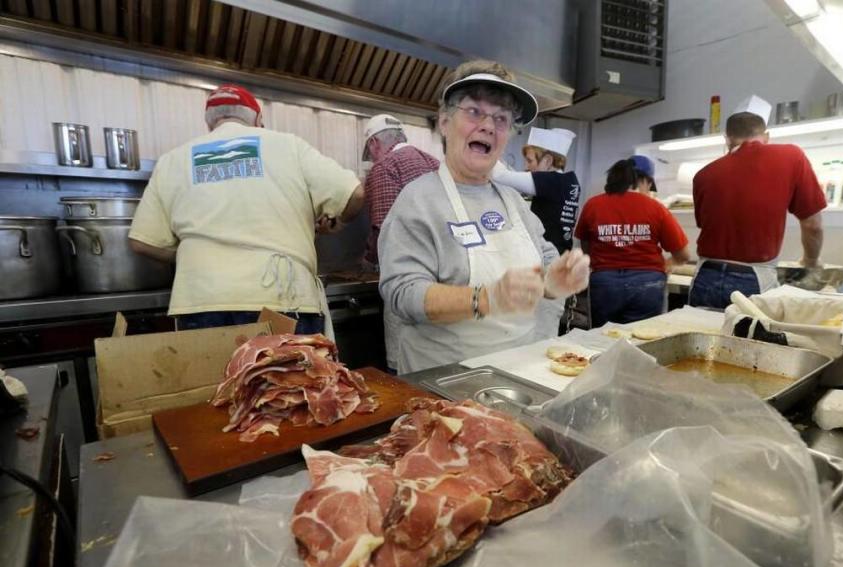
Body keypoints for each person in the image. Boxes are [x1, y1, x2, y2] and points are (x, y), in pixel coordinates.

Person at [378, 60, 590, 374]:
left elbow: (544, 261)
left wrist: (555, 280)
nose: (489, 125)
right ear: (445, 122)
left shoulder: (513, 201)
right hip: (444, 382)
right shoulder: (418, 200)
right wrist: (485, 298)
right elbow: (402, 294)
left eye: (502, 118)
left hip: (518, 376)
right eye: (474, 111)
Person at [128, 83, 364, 337]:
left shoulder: (172, 160)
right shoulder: (288, 145)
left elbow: (142, 242)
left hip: (201, 300)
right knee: (290, 377)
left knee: (215, 378)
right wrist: (339, 223)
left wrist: (195, 253)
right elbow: (355, 193)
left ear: (210, 124)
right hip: (281, 297)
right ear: (258, 120)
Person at [689, 94, 826, 309]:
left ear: (726, 139)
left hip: (705, 277)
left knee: (701, 339)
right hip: (753, 278)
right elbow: (813, 225)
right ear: (767, 136)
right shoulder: (791, 156)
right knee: (748, 342)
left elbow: (710, 225)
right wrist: (811, 261)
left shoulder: (703, 175)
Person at [360, 113, 440, 372]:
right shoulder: (435, 164)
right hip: (447, 284)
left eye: (370, 152)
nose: (372, 158)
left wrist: (367, 260)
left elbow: (383, 228)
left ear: (374, 144)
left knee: (403, 365)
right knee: (437, 364)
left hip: (409, 281)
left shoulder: (384, 167)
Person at [575, 157, 690, 326]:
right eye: (650, 185)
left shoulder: (593, 205)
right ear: (643, 181)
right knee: (643, 341)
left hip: (605, 284)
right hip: (647, 284)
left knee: (601, 341)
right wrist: (668, 263)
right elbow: (683, 254)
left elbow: (586, 246)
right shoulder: (655, 207)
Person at [492, 127, 581, 337]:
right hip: (555, 268)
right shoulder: (569, 182)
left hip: (550, 270)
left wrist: (489, 146)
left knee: (540, 335)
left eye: (530, 161)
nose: (526, 167)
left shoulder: (552, 181)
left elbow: (500, 176)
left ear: (548, 161)